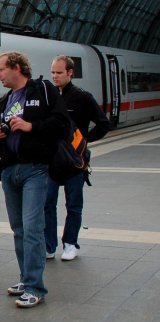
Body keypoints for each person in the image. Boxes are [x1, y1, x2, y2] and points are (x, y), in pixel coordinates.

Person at [0, 51, 69, 308]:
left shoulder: (43, 89)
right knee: (19, 230)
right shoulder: (5, 100)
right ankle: (26, 279)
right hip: (9, 170)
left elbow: (61, 123)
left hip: (35, 169)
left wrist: (31, 127)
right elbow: (0, 131)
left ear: (16, 67)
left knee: (33, 228)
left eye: (2, 69)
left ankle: (36, 287)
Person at [45, 55, 109, 261]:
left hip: (75, 160)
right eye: (53, 72)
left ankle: (70, 243)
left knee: (73, 204)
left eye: (59, 72)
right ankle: (48, 245)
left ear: (70, 73)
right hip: (51, 159)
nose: (55, 76)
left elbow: (103, 123)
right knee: (47, 203)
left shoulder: (83, 97)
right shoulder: (48, 96)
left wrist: (84, 141)